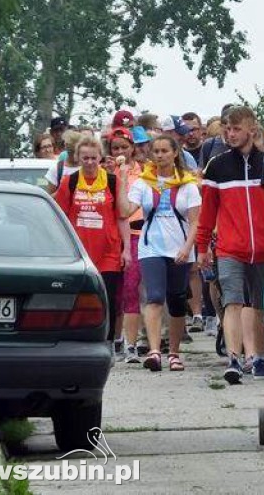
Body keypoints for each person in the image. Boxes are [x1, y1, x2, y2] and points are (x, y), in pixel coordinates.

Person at [196, 106, 264, 384]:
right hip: (229, 247)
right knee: (232, 301)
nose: (230, 134)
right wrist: (202, 246)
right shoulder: (217, 166)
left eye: (236, 129)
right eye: (227, 129)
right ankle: (234, 358)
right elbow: (207, 212)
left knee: (261, 303)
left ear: (252, 129)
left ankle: (259, 356)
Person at [118, 135, 202, 372]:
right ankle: (155, 351)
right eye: (156, 151)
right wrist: (123, 180)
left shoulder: (188, 184)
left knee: (176, 300)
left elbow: (196, 222)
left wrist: (187, 248)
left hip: (180, 248)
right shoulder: (144, 183)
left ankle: (173, 352)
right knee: (154, 296)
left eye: (165, 151)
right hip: (151, 247)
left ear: (175, 153)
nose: (160, 155)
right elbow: (125, 210)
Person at [55, 135, 131, 344]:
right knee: (80, 298)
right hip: (80, 252)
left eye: (93, 158)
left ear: (100, 158)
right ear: (78, 158)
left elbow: (122, 217)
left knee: (108, 298)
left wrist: (127, 250)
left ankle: (109, 341)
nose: (89, 163)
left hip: (108, 250)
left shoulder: (112, 181)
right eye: (85, 158)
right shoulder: (69, 182)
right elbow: (59, 217)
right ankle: (78, 338)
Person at [111, 127, 148, 363]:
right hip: (111, 236)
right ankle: (115, 340)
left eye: (124, 147)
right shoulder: (106, 174)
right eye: (116, 148)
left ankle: (132, 344)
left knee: (131, 289)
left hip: (136, 234)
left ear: (133, 148)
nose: (121, 151)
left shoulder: (144, 172)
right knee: (115, 293)